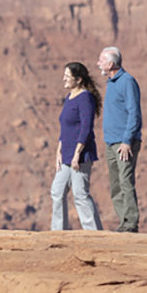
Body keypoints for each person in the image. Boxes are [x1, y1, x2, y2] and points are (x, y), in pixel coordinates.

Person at [51, 62, 104, 231]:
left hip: (80, 154)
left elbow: (86, 128)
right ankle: (58, 232)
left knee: (80, 194)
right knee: (57, 192)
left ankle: (94, 234)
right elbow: (65, 128)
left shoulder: (85, 98)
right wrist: (58, 151)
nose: (64, 79)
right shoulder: (69, 97)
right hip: (65, 154)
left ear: (78, 79)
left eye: (67, 77)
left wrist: (77, 154)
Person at [97, 46, 143, 232]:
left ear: (110, 63)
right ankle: (124, 221)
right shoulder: (111, 82)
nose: (98, 63)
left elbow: (134, 113)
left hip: (124, 143)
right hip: (111, 142)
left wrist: (126, 141)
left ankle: (131, 222)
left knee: (125, 181)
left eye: (101, 60)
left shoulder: (127, 81)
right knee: (115, 185)